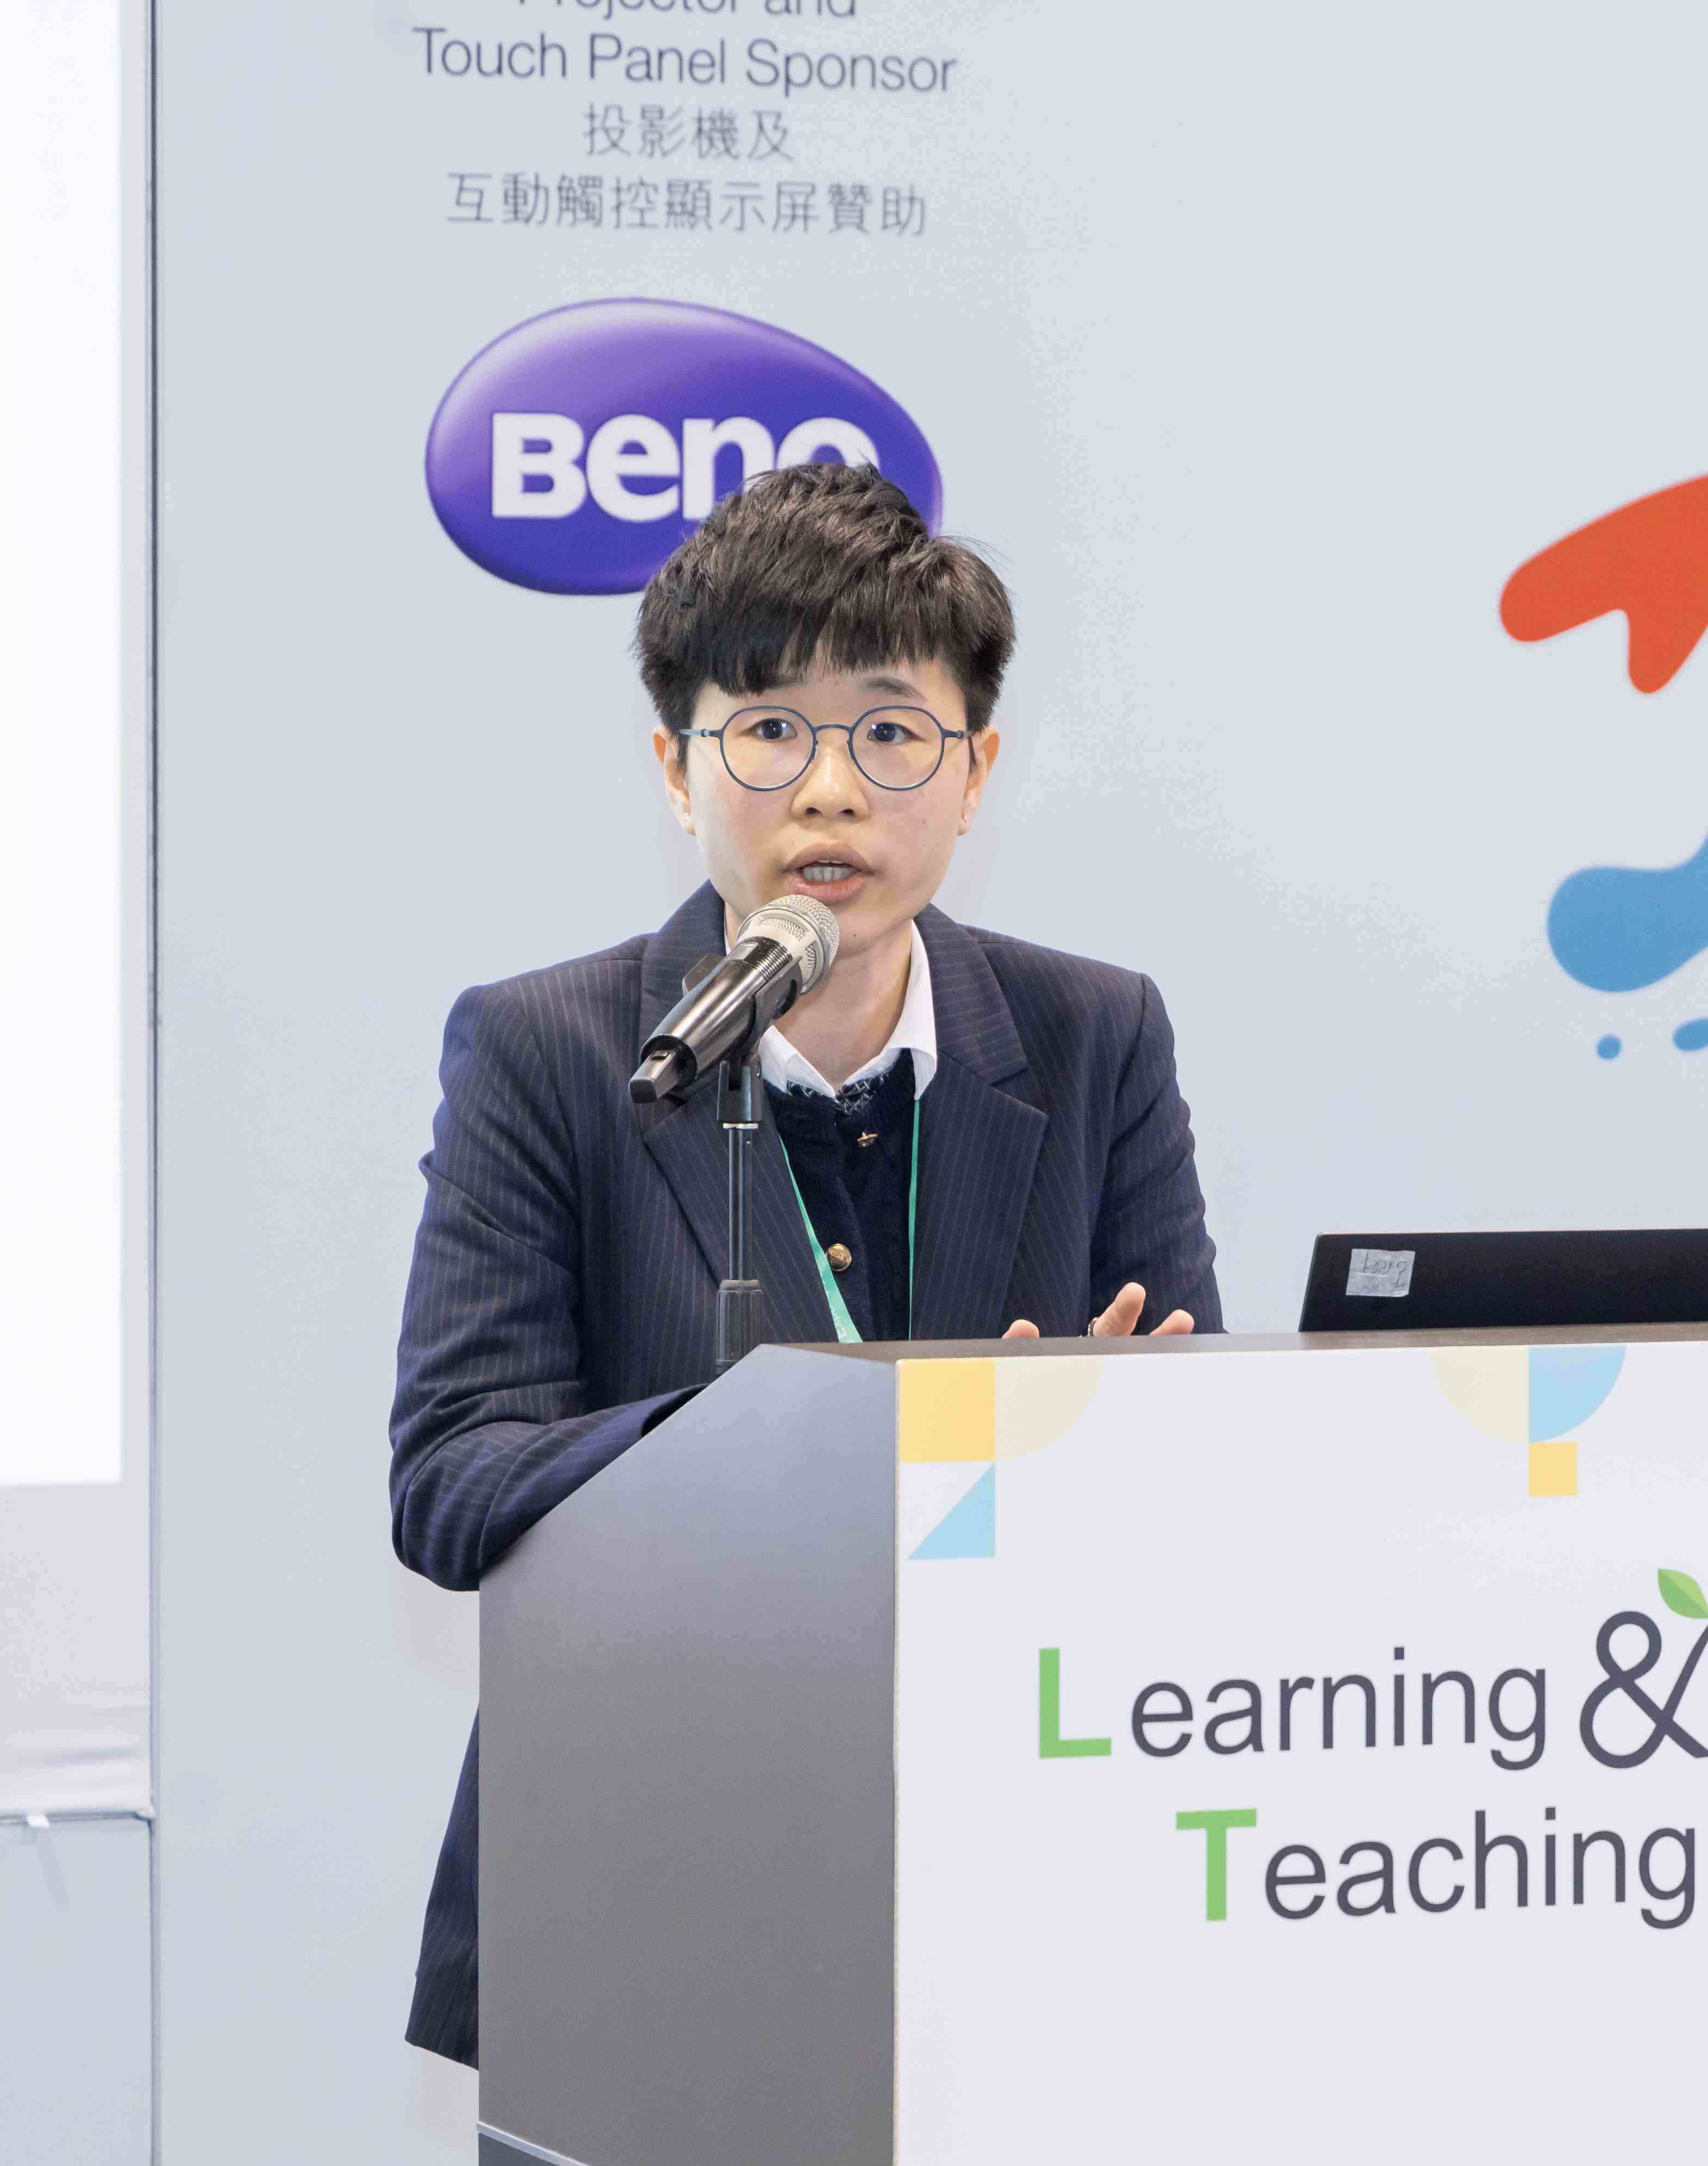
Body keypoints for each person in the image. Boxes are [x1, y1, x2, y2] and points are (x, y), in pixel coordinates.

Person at [384, 463, 1222, 2067]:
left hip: (1018, 1861)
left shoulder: (1095, 1034)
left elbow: (1190, 1442)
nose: (830, 793)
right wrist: (802, 1440)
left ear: (975, 774)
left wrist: (1095, 1439)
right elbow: (451, 1483)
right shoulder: (553, 1052)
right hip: (644, 1873)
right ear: (674, 764)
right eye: (769, 730)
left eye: (893, 733)